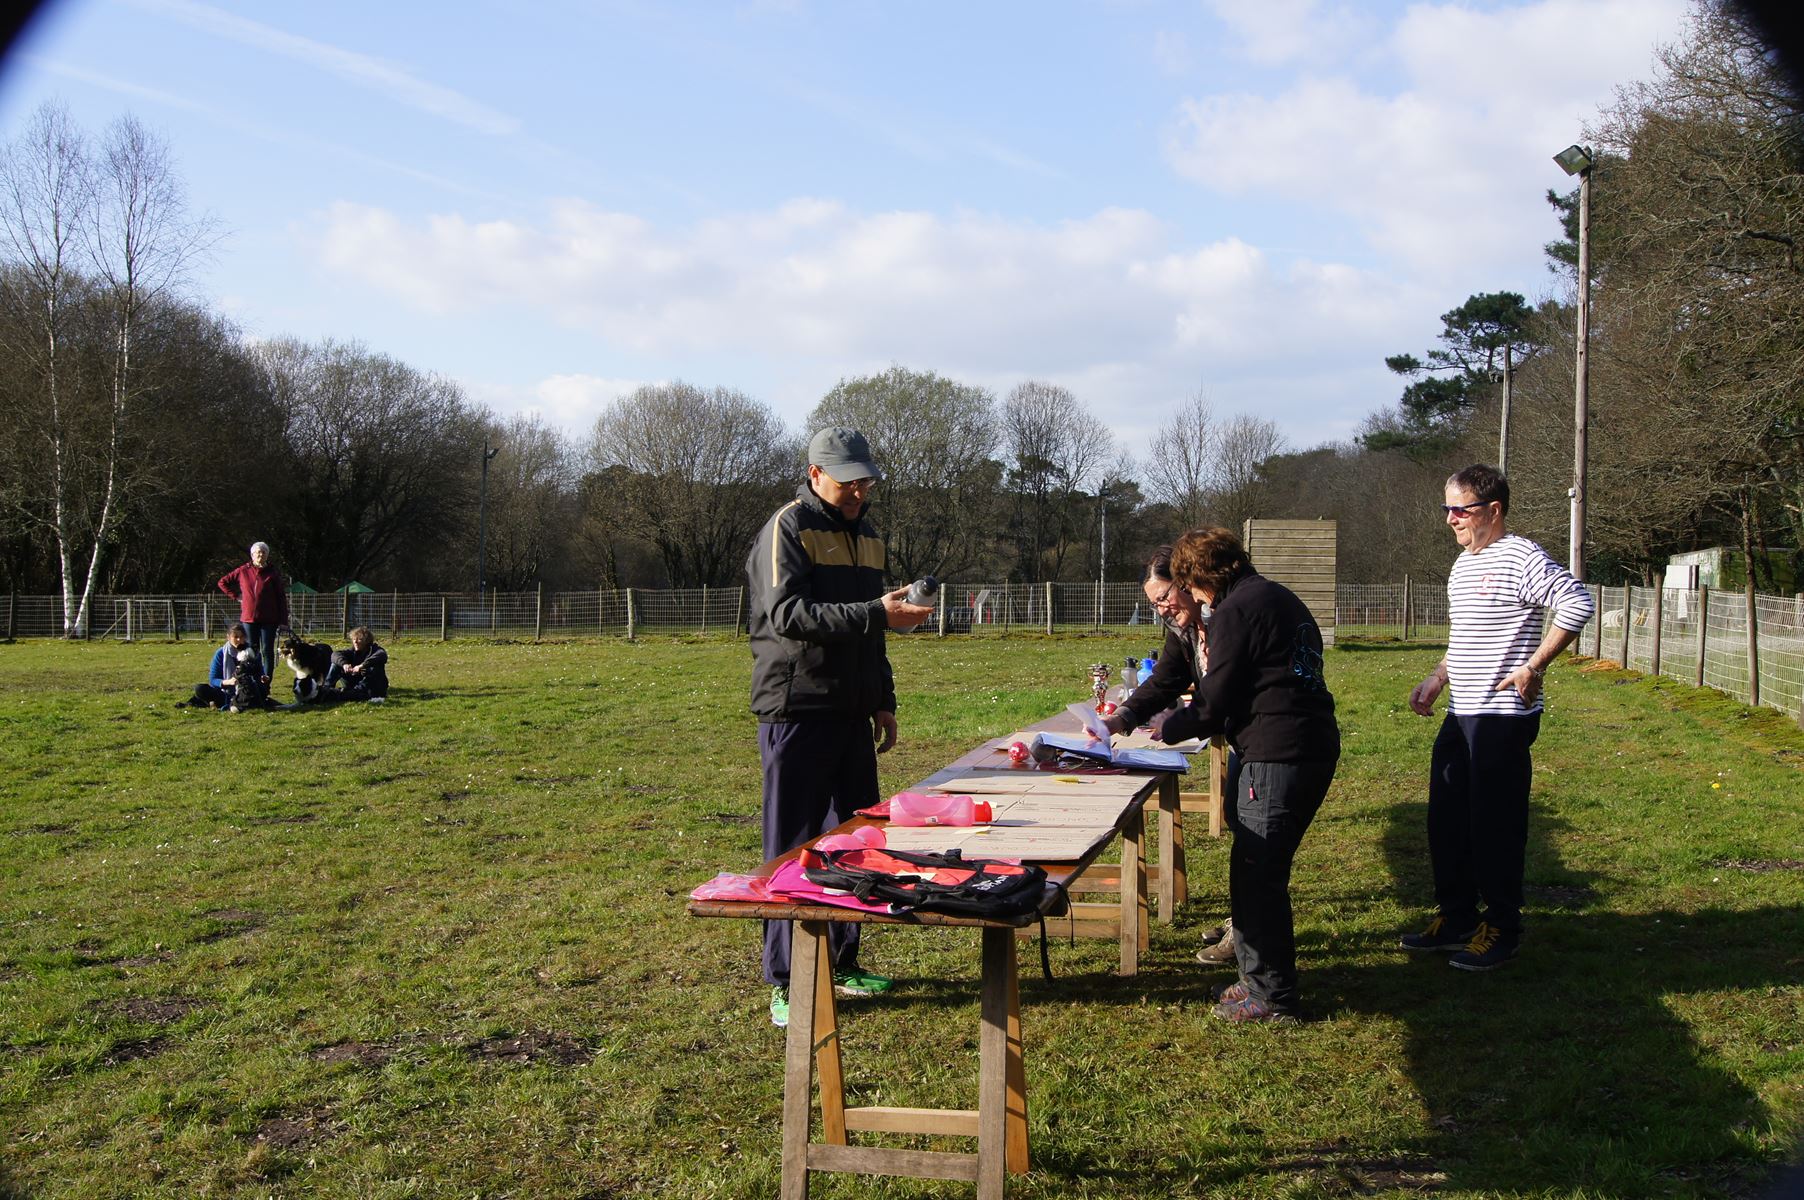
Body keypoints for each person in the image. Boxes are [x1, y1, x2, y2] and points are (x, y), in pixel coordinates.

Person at [745, 427, 934, 1029]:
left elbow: (870, 631)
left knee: (856, 841)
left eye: (866, 480)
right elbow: (786, 616)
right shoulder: (787, 529)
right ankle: (786, 979)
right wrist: (876, 609)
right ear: (814, 473)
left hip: (853, 712)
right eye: (848, 480)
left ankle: (844, 962)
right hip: (796, 708)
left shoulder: (871, 536)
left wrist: (884, 699)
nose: (859, 491)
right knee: (793, 846)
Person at [1401, 464, 1594, 971]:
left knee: (1494, 824)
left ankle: (1503, 926)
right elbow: (1465, 636)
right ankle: (1457, 916)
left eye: (1460, 509)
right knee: (1446, 819)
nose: (1450, 519)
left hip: (1502, 715)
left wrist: (1534, 666)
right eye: (1447, 509)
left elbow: (1576, 602)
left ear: (1493, 510)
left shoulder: (1520, 555)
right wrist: (1438, 677)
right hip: (1462, 710)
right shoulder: (1463, 565)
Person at [1151, 527, 1340, 1023]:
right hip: (1303, 745)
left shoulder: (1237, 609)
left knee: (1258, 880)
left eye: (1187, 584)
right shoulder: (1277, 596)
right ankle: (1254, 981)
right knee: (1256, 872)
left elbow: (1217, 699)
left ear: (1200, 577)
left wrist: (1169, 727)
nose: (1188, 595)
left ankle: (1274, 997)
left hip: (1278, 754)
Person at [1103, 545, 1236, 966]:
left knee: (1258, 846)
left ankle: (1250, 940)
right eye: (1153, 603)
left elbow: (1221, 697)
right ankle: (1245, 921)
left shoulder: (1228, 621)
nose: (1160, 609)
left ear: (1188, 584)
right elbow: (1164, 682)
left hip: (1275, 742)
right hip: (1246, 743)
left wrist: (1176, 726)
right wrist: (1119, 719)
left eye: (1164, 598)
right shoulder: (1183, 630)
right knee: (1243, 829)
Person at [217, 542, 290, 676]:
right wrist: (235, 596)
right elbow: (222, 582)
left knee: (267, 650)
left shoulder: (272, 573)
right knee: (251, 650)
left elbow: (281, 597)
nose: (260, 555)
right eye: (258, 552)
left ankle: (266, 682)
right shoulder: (243, 570)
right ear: (252, 555)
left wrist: (283, 620)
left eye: (263, 552)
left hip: (269, 619)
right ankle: (252, 679)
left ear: (267, 555)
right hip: (249, 619)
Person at [179, 622, 264, 710]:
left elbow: (260, 672)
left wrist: (262, 678)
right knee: (200, 689)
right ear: (228, 637)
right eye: (235, 637)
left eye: (241, 637)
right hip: (225, 692)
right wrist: (228, 682)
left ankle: (234, 703)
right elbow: (213, 679)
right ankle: (233, 702)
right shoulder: (221, 653)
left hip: (248, 689)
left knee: (262, 689)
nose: (239, 640)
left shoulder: (252, 652)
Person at [328, 626, 389, 701]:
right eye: (353, 639)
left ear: (367, 641)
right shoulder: (351, 652)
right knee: (336, 664)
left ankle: (357, 692)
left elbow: (381, 655)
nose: (355, 642)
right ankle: (326, 689)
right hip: (354, 682)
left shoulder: (375, 650)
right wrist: (344, 664)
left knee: (375, 666)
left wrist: (361, 666)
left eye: (359, 639)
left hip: (371, 685)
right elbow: (335, 654)